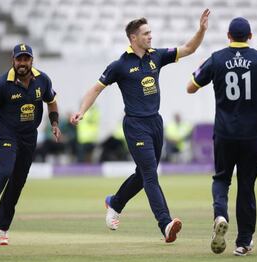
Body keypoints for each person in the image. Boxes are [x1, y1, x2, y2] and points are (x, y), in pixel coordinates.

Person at [70, 9, 210, 243]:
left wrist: (201, 30)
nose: (150, 37)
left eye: (150, 33)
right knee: (150, 176)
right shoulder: (120, 65)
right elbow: (96, 88)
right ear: (133, 38)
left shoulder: (156, 56)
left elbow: (188, 49)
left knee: (143, 174)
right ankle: (165, 224)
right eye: (146, 34)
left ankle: (115, 202)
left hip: (156, 123)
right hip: (135, 126)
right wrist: (81, 111)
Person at [186, 17, 257, 255]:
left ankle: (220, 215)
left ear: (228, 36)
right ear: (251, 36)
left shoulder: (217, 58)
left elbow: (190, 87)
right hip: (253, 135)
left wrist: (202, 68)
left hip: (225, 133)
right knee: (247, 186)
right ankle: (243, 242)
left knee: (222, 179)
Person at [0, 44, 61, 245]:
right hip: (7, 134)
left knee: (18, 182)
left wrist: (54, 123)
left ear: (31, 61)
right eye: (19, 59)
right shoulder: (2, 83)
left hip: (29, 136)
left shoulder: (42, 80)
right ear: (13, 60)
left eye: (26, 59)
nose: (22, 63)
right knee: (4, 172)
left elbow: (51, 101)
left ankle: (2, 227)